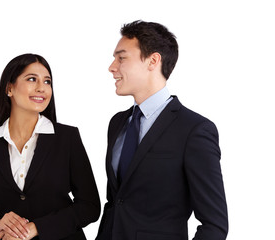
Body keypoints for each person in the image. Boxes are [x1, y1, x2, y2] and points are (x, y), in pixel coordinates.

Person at [95, 20, 228, 240]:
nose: (112, 67)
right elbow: (116, 201)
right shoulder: (117, 123)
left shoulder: (194, 130)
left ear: (153, 61)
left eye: (121, 58)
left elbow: (214, 224)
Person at [0, 53, 100, 240]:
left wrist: (35, 228)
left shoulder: (67, 138)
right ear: (9, 88)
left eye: (47, 82)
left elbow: (90, 206)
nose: (42, 88)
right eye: (32, 79)